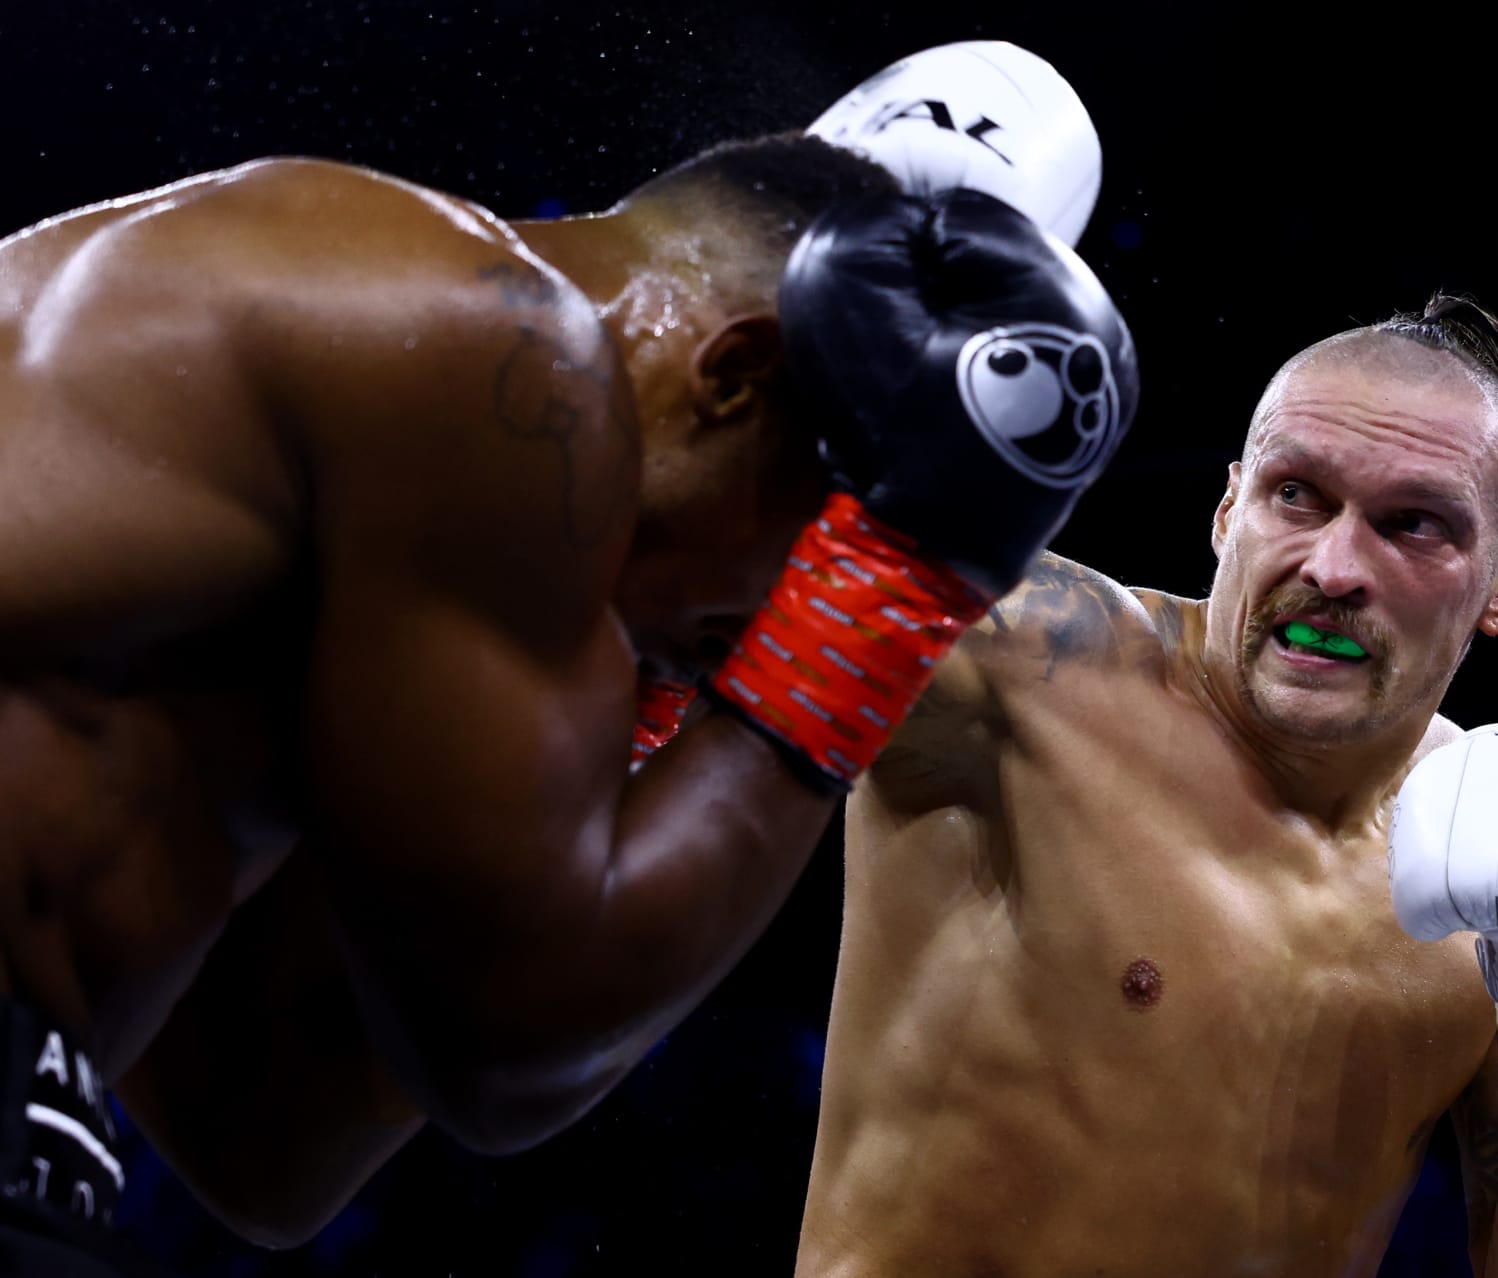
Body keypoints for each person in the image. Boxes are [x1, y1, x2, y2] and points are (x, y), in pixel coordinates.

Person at [0, 47, 1138, 1269]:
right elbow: (513, 1046)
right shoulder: (500, 343)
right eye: (821, 546)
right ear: (736, 375)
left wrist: (635, 707)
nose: (771, 627)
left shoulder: (328, 523)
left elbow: (268, 1134)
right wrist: (885, 607)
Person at [795, 294, 1498, 1275]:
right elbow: (682, 539)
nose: (1336, 566)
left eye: (1413, 524)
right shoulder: (1018, 670)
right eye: (1296, 495)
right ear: (1229, 509)